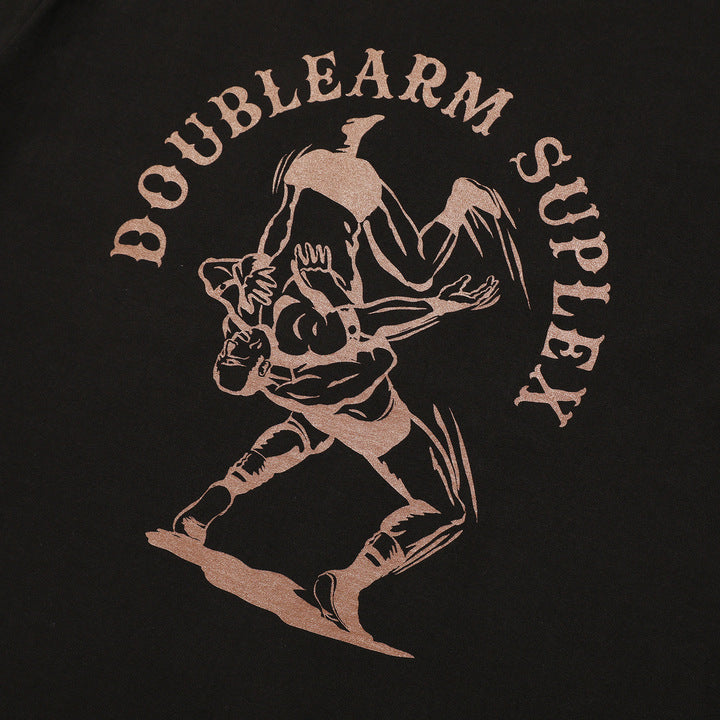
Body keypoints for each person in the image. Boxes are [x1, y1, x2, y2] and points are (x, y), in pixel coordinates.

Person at [173, 242, 500, 635]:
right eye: (241, 353)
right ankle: (347, 583)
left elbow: (210, 271)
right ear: (260, 366)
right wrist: (441, 304)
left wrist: (245, 270)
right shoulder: (303, 334)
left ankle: (216, 499)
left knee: (304, 429)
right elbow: (375, 331)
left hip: (321, 406)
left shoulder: (245, 317)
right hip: (374, 422)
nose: (236, 343)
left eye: (229, 349)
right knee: (445, 509)